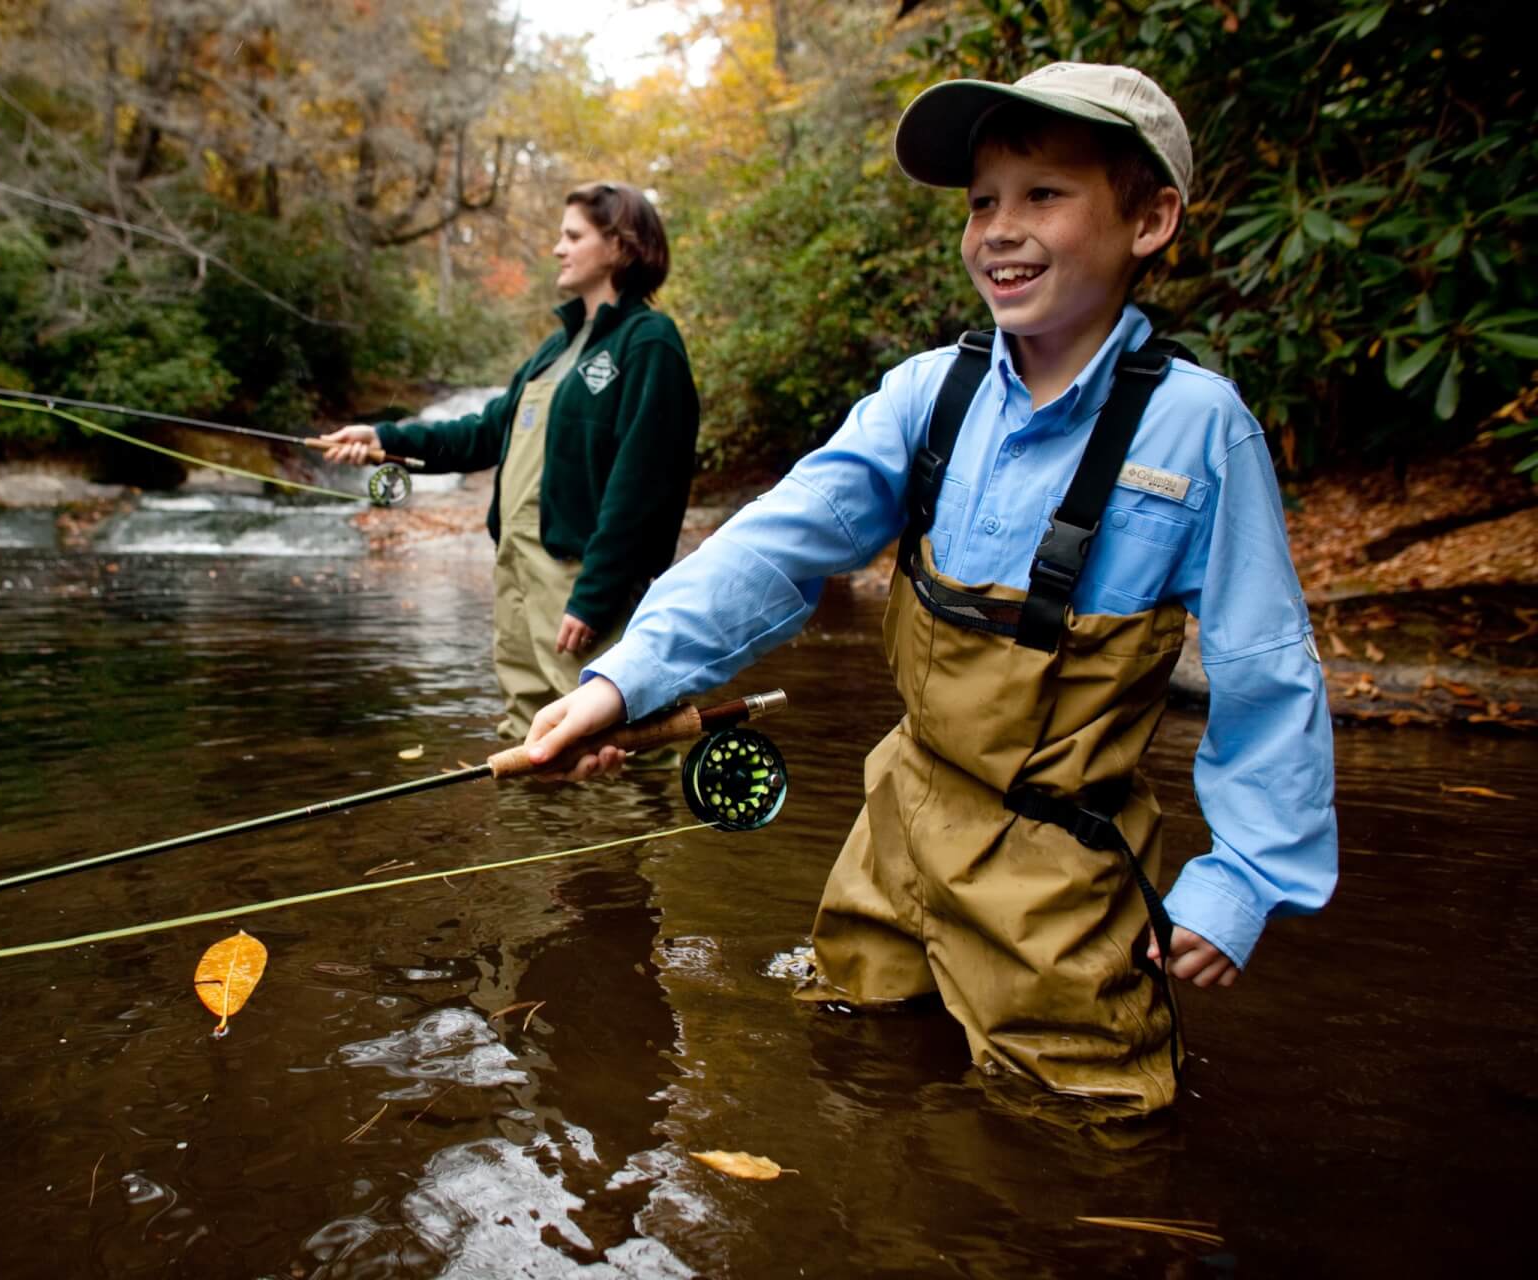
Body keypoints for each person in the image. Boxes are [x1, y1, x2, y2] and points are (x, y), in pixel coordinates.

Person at [521, 64, 1338, 1115]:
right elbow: (775, 545)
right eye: (982, 201)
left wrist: (1241, 882)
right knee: (857, 1063)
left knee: (1080, 1131)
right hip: (896, 822)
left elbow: (1266, 667)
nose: (1000, 227)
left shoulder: (1199, 427)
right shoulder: (925, 395)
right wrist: (620, 684)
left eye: (1043, 194)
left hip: (1063, 868)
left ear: (1152, 219)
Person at [318, 183, 700, 739]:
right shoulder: (554, 350)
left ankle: (638, 829)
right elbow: (481, 434)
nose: (557, 249)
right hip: (517, 571)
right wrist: (381, 438)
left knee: (617, 736)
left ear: (620, 246)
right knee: (531, 735)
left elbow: (645, 488)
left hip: (581, 581)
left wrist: (596, 596)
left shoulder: (649, 343)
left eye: (573, 236)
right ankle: (542, 830)